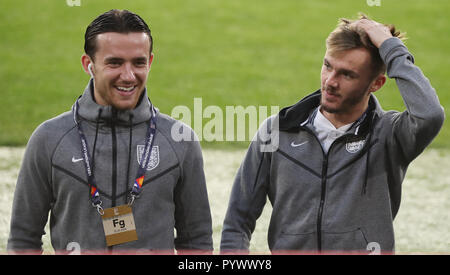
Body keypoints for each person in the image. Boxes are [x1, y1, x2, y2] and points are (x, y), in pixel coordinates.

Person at [220, 14, 445, 254]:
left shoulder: (390, 136)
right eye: (328, 66)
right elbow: (237, 222)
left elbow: (429, 114)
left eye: (347, 74)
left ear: (376, 84)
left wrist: (391, 48)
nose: (330, 82)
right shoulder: (276, 132)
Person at [8, 9, 213, 254]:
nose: (128, 76)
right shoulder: (48, 140)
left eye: (138, 62)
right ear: (89, 65)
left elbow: (197, 242)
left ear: (150, 62)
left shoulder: (180, 141)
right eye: (115, 62)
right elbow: (23, 239)